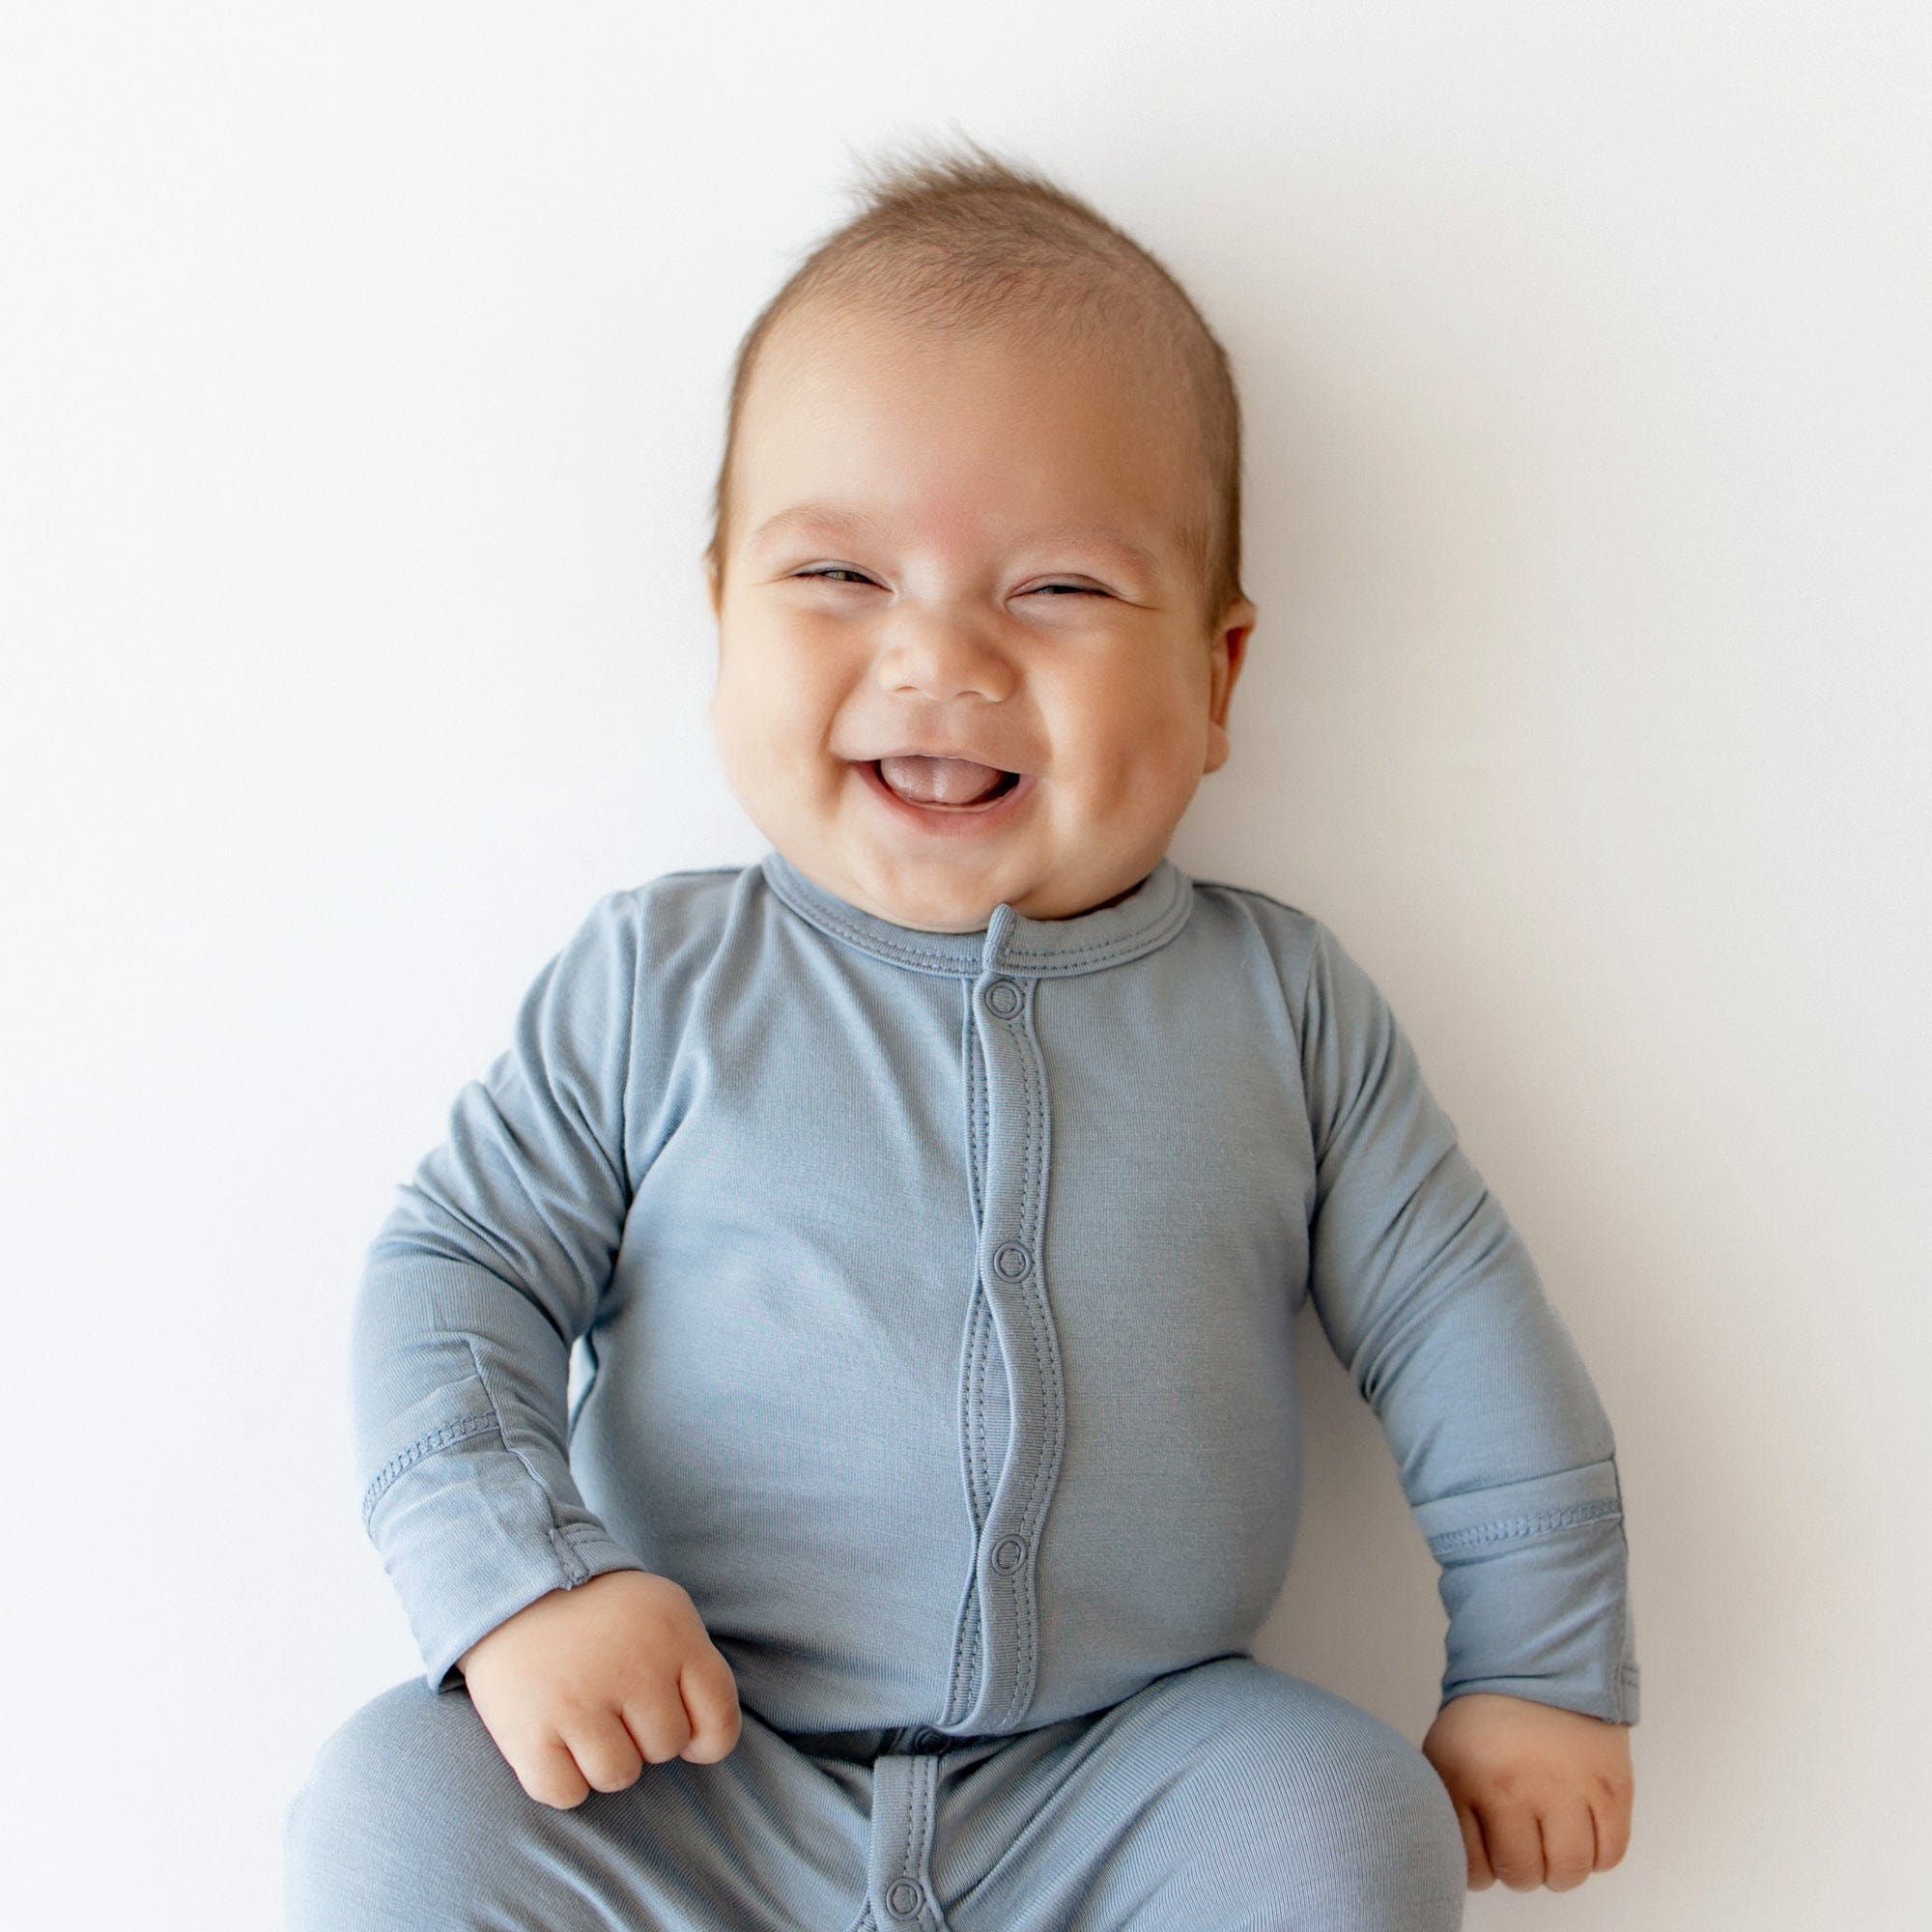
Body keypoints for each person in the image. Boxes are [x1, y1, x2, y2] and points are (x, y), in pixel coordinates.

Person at [284, 135, 1638, 1931]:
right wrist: (520, 1584)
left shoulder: (1282, 1009)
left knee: (1341, 1814)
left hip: (1124, 1774)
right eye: (837, 577)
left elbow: (1469, 1335)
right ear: (720, 622)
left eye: (1059, 589)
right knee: (399, 1800)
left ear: (1217, 678)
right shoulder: (656, 985)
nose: (940, 660)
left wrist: (1541, 1668)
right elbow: (450, 1277)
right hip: (685, 1777)